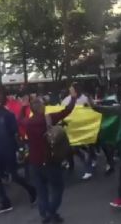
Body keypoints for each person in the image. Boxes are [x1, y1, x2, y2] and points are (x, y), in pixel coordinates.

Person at [20, 85, 77, 224]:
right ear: (41, 108)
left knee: (42, 191)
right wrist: (73, 97)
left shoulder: (28, 122)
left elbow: (20, 118)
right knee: (58, 187)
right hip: (49, 160)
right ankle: (51, 212)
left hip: (34, 162)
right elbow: (67, 110)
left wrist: (23, 106)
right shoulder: (47, 119)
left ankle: (46, 214)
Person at [0, 90, 36, 214]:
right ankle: (5, 203)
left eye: (0, 97)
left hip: (9, 149)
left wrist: (20, 149)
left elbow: (16, 133)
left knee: (15, 176)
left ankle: (32, 190)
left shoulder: (9, 115)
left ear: (5, 99)